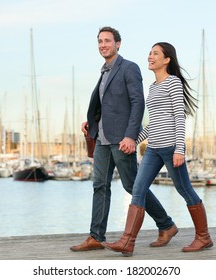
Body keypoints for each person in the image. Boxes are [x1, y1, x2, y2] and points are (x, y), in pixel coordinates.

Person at [102, 42, 213, 256]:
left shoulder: (173, 83)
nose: (150, 57)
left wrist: (180, 149)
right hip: (153, 149)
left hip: (172, 148)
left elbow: (179, 117)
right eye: (149, 53)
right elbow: (154, 123)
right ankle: (128, 241)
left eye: (155, 54)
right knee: (138, 189)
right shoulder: (152, 87)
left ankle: (204, 237)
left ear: (167, 59)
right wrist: (135, 140)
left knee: (184, 190)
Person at [70, 28, 176, 252]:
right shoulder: (104, 72)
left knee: (131, 186)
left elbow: (138, 103)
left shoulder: (129, 68)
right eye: (99, 41)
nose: (103, 44)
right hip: (101, 139)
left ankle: (166, 225)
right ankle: (96, 236)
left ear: (118, 44)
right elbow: (107, 107)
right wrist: (92, 123)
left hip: (122, 140)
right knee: (100, 186)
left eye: (107, 41)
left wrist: (130, 136)